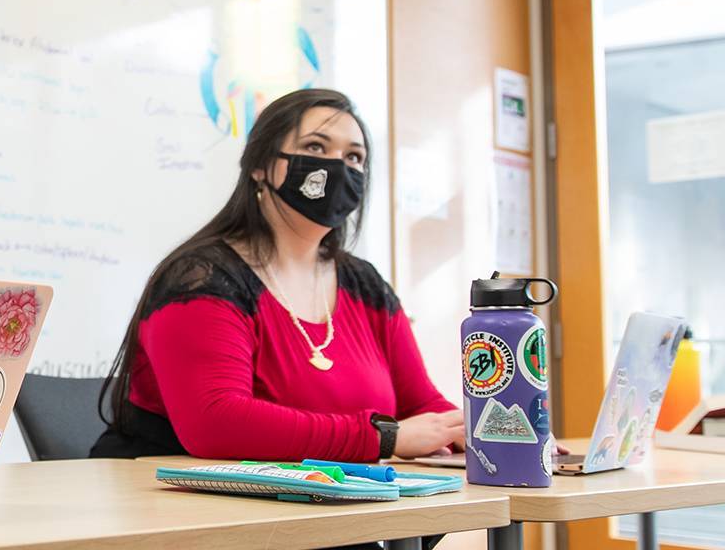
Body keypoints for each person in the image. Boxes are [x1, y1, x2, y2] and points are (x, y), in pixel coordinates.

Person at [92, 88, 466, 462]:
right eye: (317, 148)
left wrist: (475, 433)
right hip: (176, 507)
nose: (338, 167)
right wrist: (382, 439)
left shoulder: (363, 284)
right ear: (260, 166)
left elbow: (422, 406)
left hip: (323, 505)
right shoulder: (202, 278)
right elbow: (216, 423)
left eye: (354, 157)